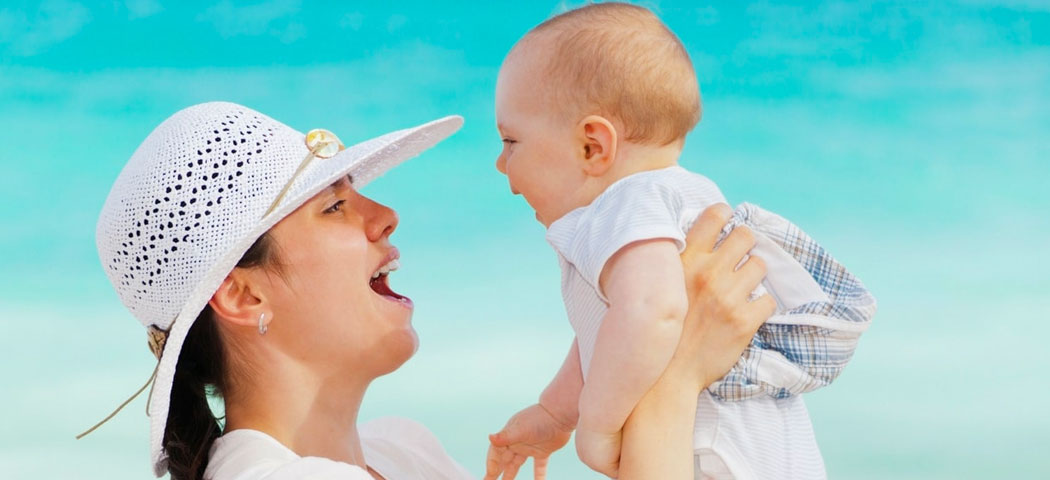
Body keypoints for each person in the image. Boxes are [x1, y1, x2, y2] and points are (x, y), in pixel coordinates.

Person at [84, 101, 777, 480]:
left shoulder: (402, 453)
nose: (385, 215)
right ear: (243, 297)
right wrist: (674, 375)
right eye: (333, 207)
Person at [486, 3, 877, 479]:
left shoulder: (625, 203)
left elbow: (654, 313)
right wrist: (555, 413)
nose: (501, 164)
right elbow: (611, 331)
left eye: (510, 142)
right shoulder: (682, 195)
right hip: (767, 445)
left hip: (715, 446)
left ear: (593, 146)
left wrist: (599, 426)